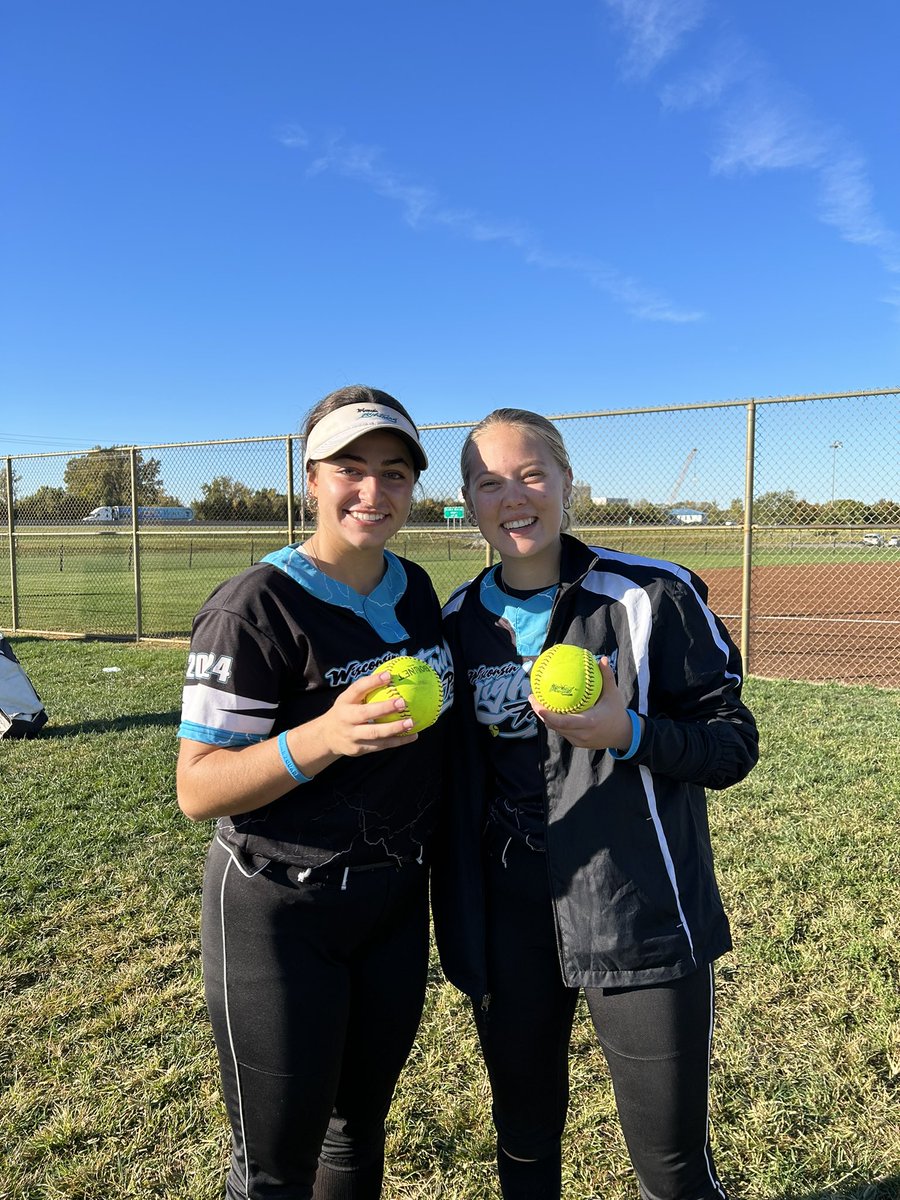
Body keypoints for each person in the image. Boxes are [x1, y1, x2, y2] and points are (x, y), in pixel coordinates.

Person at [432, 408, 758, 1200]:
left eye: (532, 474)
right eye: (488, 482)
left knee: (672, 1165)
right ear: (467, 502)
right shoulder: (456, 622)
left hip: (637, 907)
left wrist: (629, 730)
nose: (513, 497)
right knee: (525, 1143)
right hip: (511, 915)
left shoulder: (651, 594)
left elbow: (731, 744)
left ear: (568, 483)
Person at [176, 385, 452, 1200]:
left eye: (395, 472)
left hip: (394, 902)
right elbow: (199, 789)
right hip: (280, 908)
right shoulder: (254, 607)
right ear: (310, 479)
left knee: (357, 1132)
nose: (374, 491)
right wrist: (320, 737)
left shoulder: (415, 587)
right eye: (351, 468)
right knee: (274, 1168)